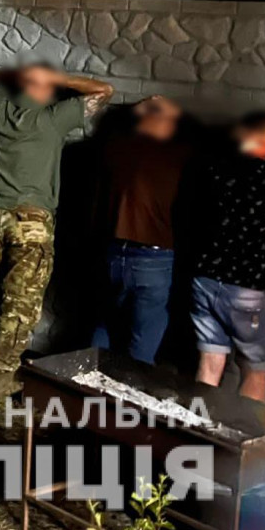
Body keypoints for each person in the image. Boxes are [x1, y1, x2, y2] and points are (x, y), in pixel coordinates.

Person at [0, 64, 113, 400]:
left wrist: (25, 74)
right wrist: (58, 78)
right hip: (30, 228)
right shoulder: (51, 120)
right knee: (18, 307)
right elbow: (105, 91)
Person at [188, 111, 265, 402]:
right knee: (255, 372)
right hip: (251, 288)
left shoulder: (217, 164)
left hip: (206, 280)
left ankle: (197, 424)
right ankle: (241, 431)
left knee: (209, 364)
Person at [91, 96, 189, 364]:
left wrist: (140, 108)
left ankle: (86, 383)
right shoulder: (176, 154)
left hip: (113, 252)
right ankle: (131, 389)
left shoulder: (116, 147)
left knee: (104, 324)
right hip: (153, 256)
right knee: (143, 340)